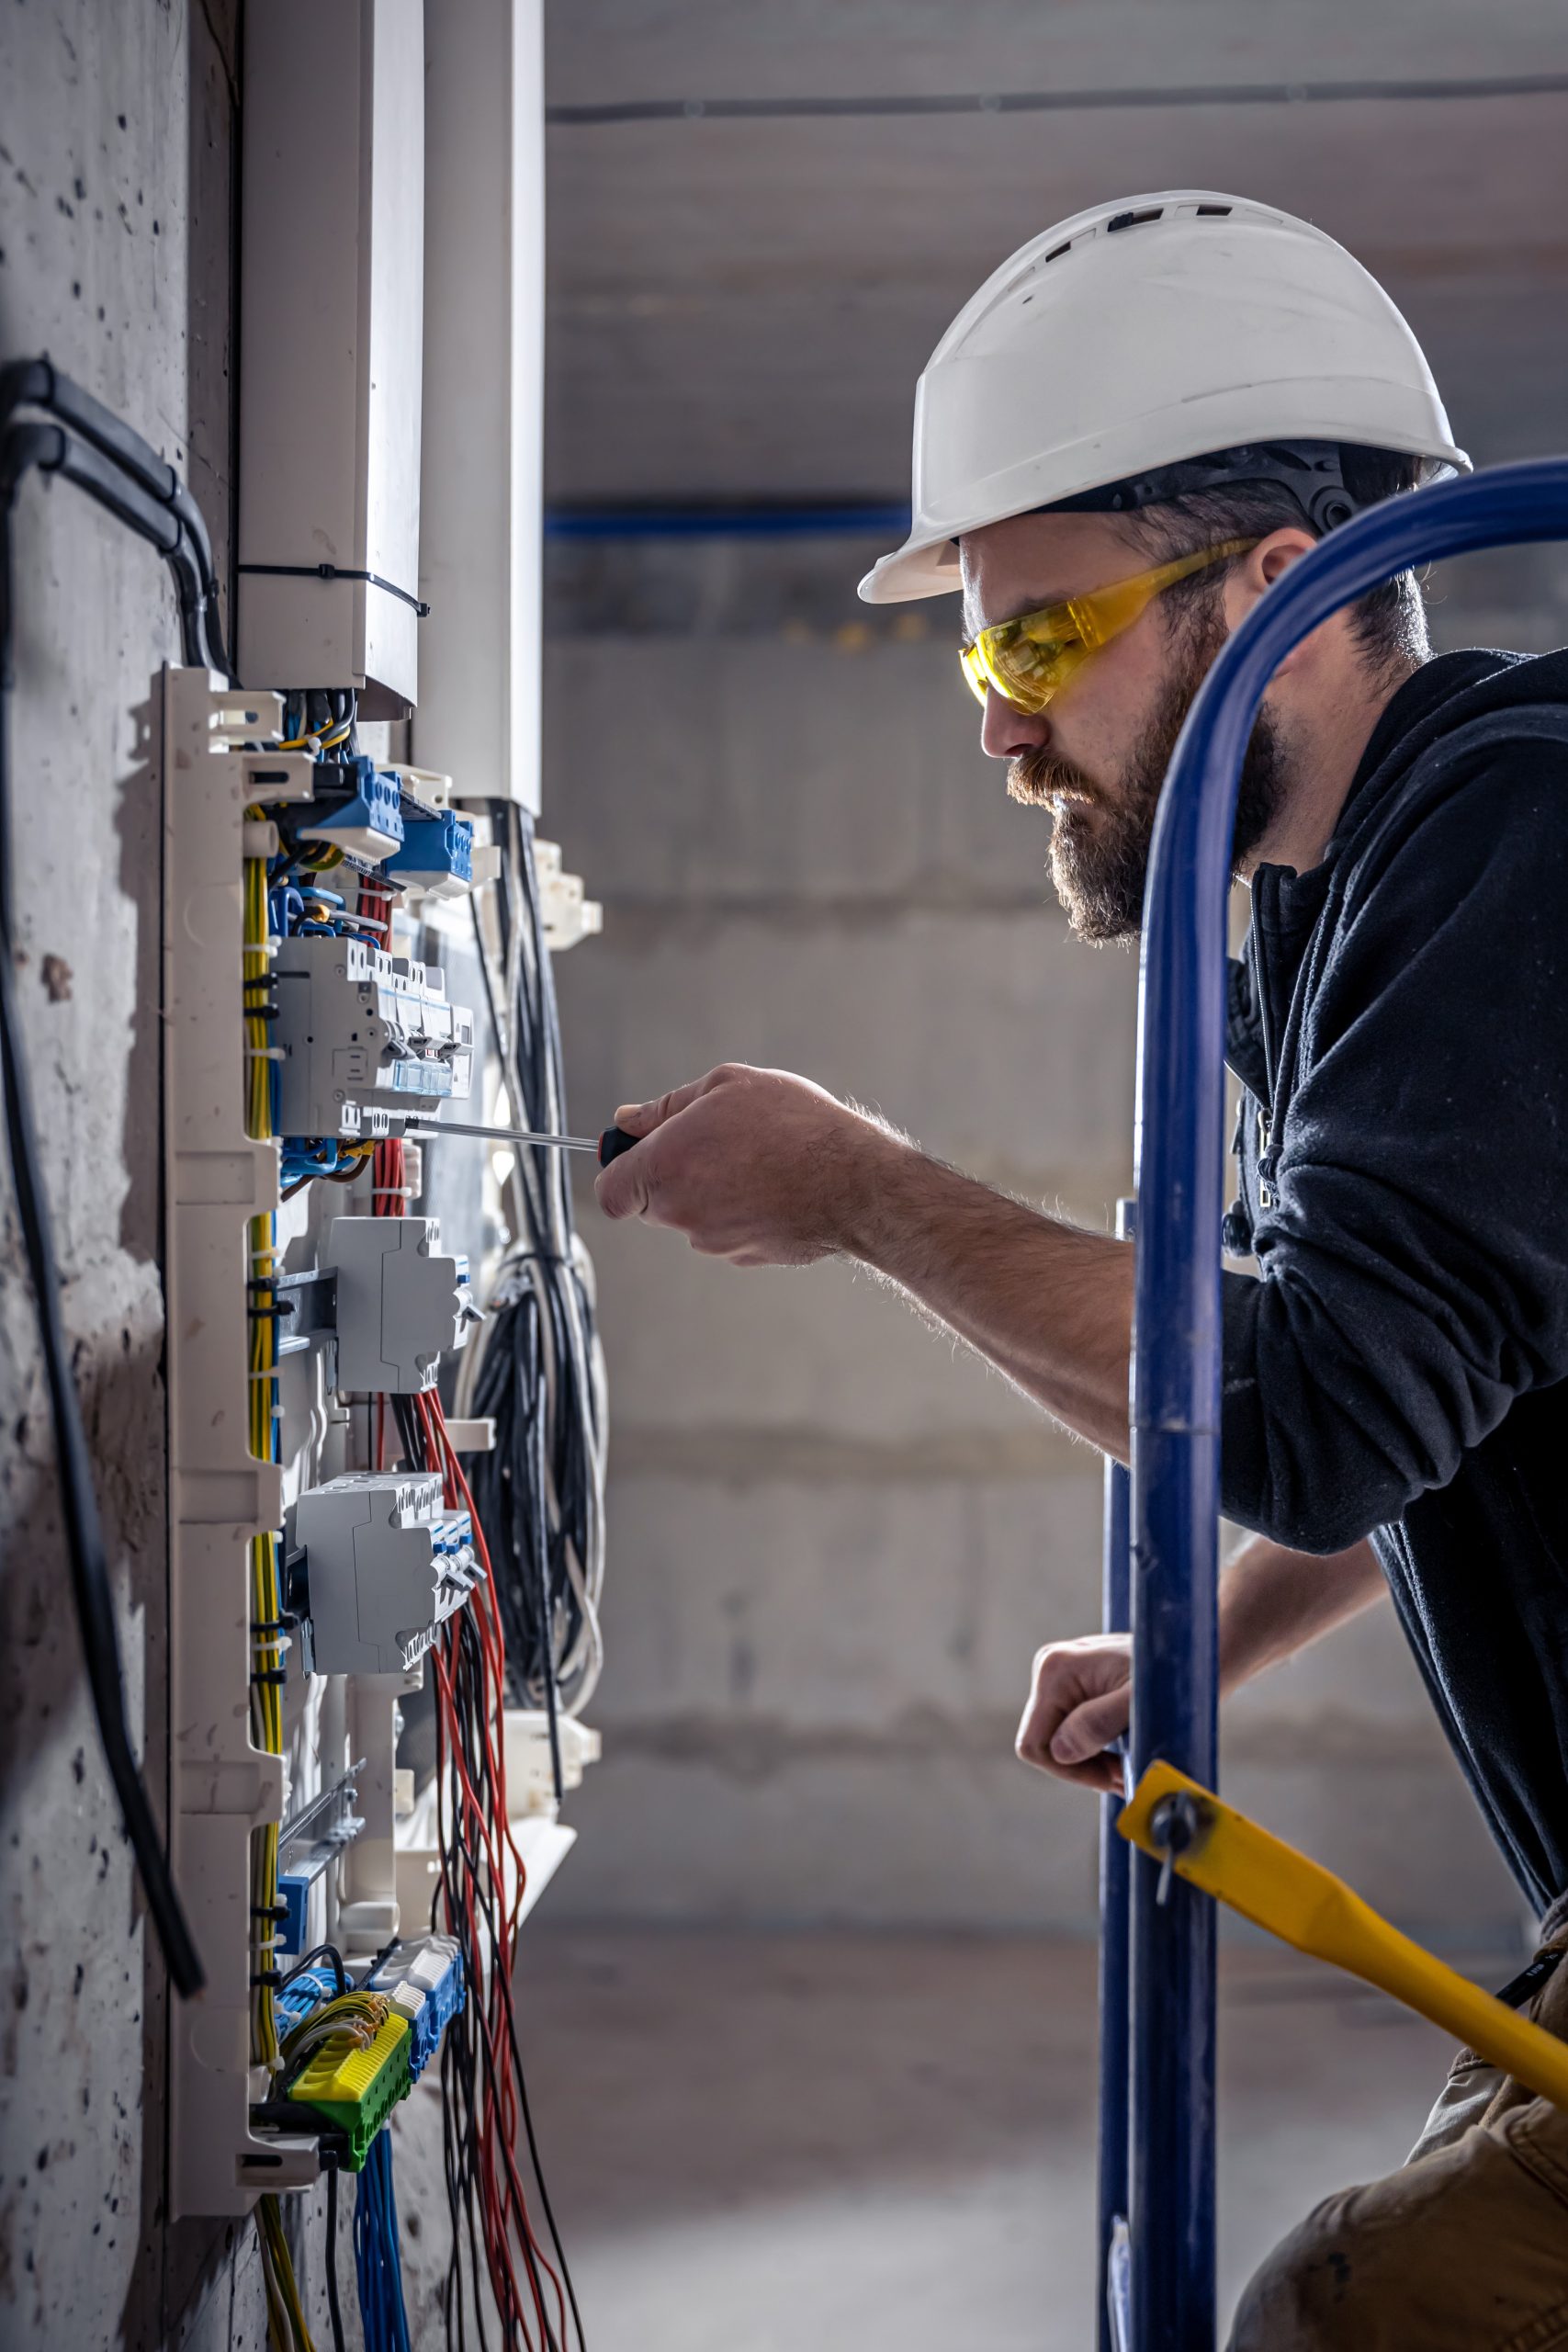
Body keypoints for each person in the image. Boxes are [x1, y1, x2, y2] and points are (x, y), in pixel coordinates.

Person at [592, 191, 1568, 2347]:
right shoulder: (1340, 901)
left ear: (1275, 593)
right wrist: (1207, 1638)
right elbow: (1422, 1381)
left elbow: (1307, 1408)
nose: (993, 722)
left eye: (1037, 638)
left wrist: (862, 1187)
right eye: (978, 651)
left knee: (1346, 2306)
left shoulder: (1520, 841)